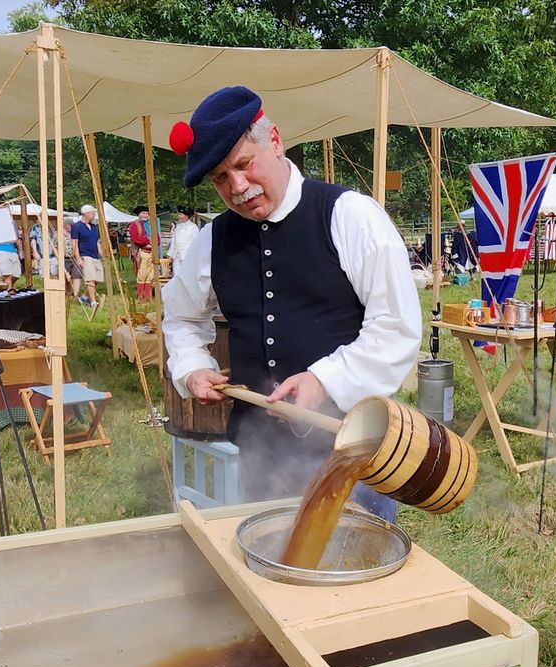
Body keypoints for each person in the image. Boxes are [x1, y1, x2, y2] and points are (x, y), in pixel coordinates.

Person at [162, 85, 421, 514]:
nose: (238, 187)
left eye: (244, 165)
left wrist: (323, 380)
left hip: (350, 451)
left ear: (276, 141)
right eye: (221, 179)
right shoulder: (213, 239)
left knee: (357, 573)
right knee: (270, 571)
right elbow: (181, 318)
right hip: (260, 457)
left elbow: (396, 326)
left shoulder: (349, 214)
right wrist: (192, 368)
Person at [70, 204, 103, 308]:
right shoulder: (77, 226)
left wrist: (102, 254)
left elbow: (97, 242)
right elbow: (74, 243)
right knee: (90, 278)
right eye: (92, 212)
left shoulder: (94, 227)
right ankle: (93, 301)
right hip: (85, 255)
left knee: (97, 278)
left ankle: (84, 297)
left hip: (95, 256)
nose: (94, 215)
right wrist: (78, 258)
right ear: (86, 213)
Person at [129, 206, 154, 302]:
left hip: (151, 252)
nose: (145, 215)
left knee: (150, 276)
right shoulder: (135, 225)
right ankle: (140, 297)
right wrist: (148, 241)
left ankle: (148, 297)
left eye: (147, 213)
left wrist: (154, 242)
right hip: (141, 252)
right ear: (139, 214)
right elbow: (135, 238)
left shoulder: (150, 225)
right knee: (142, 275)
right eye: (143, 213)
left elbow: (157, 238)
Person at [167, 207, 199, 271]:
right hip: (176, 255)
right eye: (179, 214)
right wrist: (170, 254)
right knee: (176, 274)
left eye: (181, 215)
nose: (179, 216)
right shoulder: (178, 226)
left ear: (187, 216)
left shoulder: (193, 227)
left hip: (187, 256)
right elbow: (174, 241)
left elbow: (196, 243)